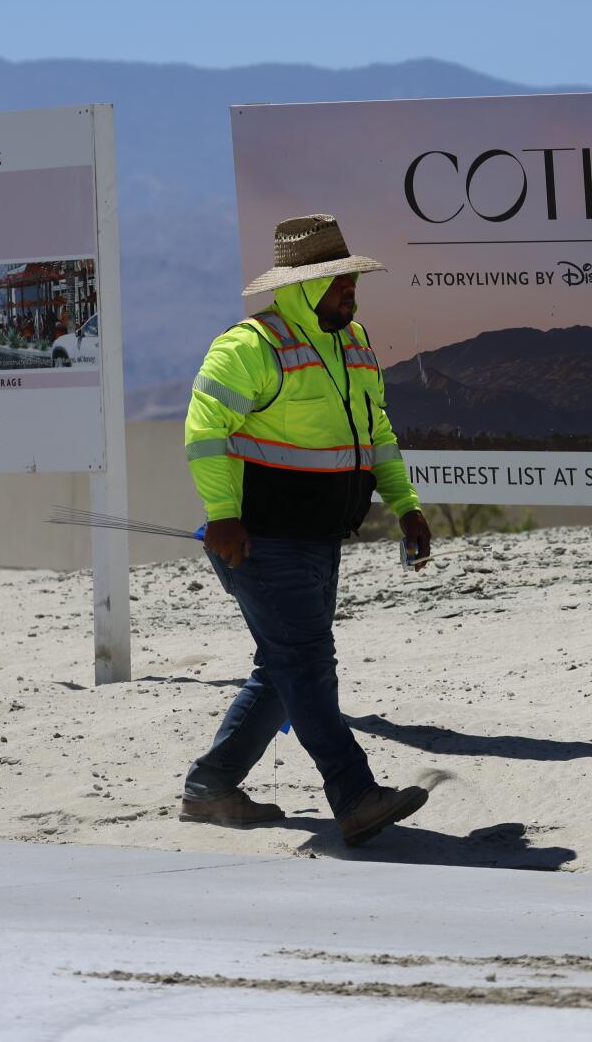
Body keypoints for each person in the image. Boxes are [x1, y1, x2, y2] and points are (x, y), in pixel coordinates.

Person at [181, 214, 434, 847]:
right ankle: (353, 793)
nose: (350, 290)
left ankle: (210, 789)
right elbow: (203, 431)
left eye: (350, 279)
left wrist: (405, 505)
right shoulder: (249, 346)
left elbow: (377, 432)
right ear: (299, 287)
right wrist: (223, 516)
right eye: (337, 281)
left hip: (321, 538)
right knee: (306, 662)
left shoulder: (354, 342)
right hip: (260, 540)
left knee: (282, 668)